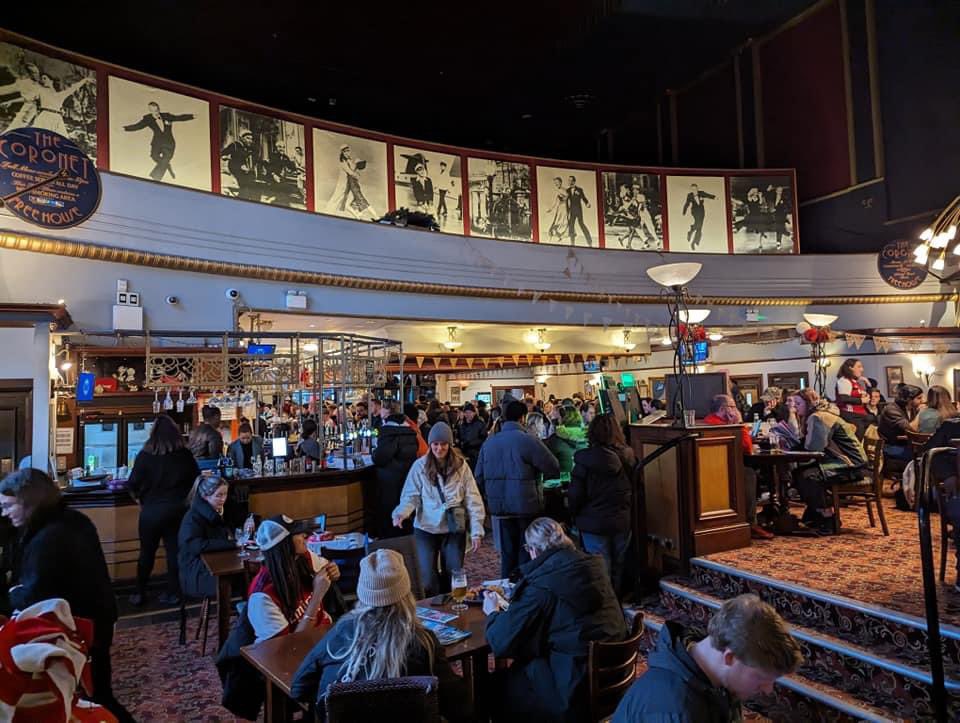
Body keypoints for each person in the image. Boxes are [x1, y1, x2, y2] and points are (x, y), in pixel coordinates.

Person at [0, 469, 134, 722]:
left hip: (82, 626)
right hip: (95, 618)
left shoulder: (50, 537)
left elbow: (36, 594)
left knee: (97, 697)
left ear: (29, 502)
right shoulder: (71, 521)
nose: (4, 512)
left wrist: (12, 594)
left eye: (8, 505)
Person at [291, 548, 471, 721]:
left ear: (362, 593)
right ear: (406, 594)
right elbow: (459, 708)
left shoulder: (339, 633)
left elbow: (298, 689)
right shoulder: (423, 643)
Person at [483, 518, 627, 722]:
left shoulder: (543, 584)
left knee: (493, 687)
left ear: (533, 550)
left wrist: (493, 612)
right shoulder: (594, 567)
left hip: (571, 693)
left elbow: (500, 641)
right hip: (614, 681)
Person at [613, 593, 802, 722]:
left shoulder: (710, 675)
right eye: (761, 678)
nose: (768, 690)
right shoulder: (677, 711)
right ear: (730, 658)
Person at [392, 422, 486, 596]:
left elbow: (473, 499)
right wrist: (402, 513)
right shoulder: (419, 466)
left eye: (443, 444)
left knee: (453, 575)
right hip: (426, 527)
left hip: (453, 527)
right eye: (435, 444)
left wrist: (477, 531)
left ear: (450, 444)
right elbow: (410, 495)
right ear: (430, 444)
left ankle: (452, 610)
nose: (439, 448)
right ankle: (433, 608)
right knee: (427, 578)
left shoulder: (461, 466)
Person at [475, 400, 561, 578]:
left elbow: (479, 476)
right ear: (523, 418)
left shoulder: (489, 443)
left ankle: (507, 589)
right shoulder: (528, 440)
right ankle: (525, 591)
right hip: (526, 503)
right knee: (527, 550)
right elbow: (553, 466)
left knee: (507, 553)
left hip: (500, 506)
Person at [127, 414, 199, 606]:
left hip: (151, 512)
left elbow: (132, 484)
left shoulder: (145, 456)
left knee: (146, 553)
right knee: (174, 552)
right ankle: (173, 592)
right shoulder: (184, 455)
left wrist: (141, 501)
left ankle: (139, 592)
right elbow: (196, 481)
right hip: (178, 510)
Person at [568, 414, 636, 593]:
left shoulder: (584, 460)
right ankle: (617, 601)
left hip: (593, 521)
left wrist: (573, 515)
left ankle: (604, 605)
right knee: (618, 564)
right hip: (621, 518)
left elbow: (575, 495)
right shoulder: (627, 457)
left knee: (599, 568)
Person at [247, 515, 341, 644]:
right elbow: (291, 647)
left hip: (323, 635)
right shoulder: (262, 596)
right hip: (294, 653)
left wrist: (334, 572)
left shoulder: (303, 557)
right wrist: (317, 596)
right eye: (297, 533)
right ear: (284, 544)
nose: (305, 536)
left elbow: (329, 569)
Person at [793, 390, 867, 534]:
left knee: (809, 475)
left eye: (798, 403)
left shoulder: (818, 417)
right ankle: (815, 514)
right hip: (843, 460)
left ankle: (828, 518)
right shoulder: (816, 415)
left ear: (809, 404)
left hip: (851, 464)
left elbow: (815, 448)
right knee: (799, 472)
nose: (795, 407)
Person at [703, 395, 772, 539]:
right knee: (749, 474)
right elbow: (747, 448)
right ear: (724, 409)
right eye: (733, 407)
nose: (737, 410)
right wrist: (740, 423)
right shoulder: (721, 425)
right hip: (721, 468)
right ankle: (750, 522)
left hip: (714, 466)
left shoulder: (710, 420)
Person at [178, 475, 235, 599]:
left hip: (207, 566)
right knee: (243, 579)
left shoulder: (214, 511)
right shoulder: (193, 517)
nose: (223, 499)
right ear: (205, 496)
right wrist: (233, 544)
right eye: (218, 495)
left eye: (225, 494)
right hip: (196, 574)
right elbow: (196, 546)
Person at [371, 400, 419, 538]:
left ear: (387, 411)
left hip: (389, 481)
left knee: (390, 517)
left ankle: (391, 544)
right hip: (407, 477)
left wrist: (374, 453)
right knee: (405, 511)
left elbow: (380, 457)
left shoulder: (388, 433)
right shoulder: (410, 431)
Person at [122, 100, 196, 181]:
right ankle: (166, 165)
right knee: (154, 156)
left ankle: (155, 178)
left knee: (165, 159)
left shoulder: (166, 116)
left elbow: (179, 117)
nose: (155, 113)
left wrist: (192, 116)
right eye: (153, 111)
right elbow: (137, 126)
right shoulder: (148, 119)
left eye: (156, 110)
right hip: (157, 142)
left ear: (159, 109)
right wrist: (125, 128)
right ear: (150, 110)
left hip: (169, 143)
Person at [877, 384, 925, 461]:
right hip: (890, 446)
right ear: (909, 399)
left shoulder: (911, 408)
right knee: (921, 457)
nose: (922, 401)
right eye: (919, 398)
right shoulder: (891, 409)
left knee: (929, 452)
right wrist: (920, 413)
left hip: (905, 443)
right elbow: (911, 429)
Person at [546, 405, 587, 483]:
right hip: (585, 481)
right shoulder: (587, 435)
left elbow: (548, 464)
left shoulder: (556, 439)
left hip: (564, 481)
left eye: (557, 418)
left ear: (561, 419)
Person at [835, 358, 870, 439]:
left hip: (860, 414)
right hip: (850, 414)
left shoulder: (854, 381)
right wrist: (861, 400)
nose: (862, 369)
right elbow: (844, 398)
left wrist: (867, 384)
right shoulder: (844, 380)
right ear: (850, 368)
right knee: (859, 430)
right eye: (859, 367)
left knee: (873, 420)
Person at [189, 404, 225, 470]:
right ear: (216, 416)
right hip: (208, 470)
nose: (220, 420)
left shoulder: (193, 431)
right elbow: (215, 457)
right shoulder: (214, 434)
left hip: (193, 468)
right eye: (220, 417)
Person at [682, 183, 716, 249]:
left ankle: (692, 236)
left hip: (702, 212)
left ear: (697, 188)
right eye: (692, 189)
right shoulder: (689, 195)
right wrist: (684, 211)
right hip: (694, 212)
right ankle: (694, 242)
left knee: (699, 227)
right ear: (691, 189)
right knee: (699, 225)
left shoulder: (701, 193)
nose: (694, 190)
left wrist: (715, 197)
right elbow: (687, 204)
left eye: (695, 189)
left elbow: (708, 195)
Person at [458, 401, 487, 470]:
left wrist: (470, 444)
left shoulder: (480, 424)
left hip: (477, 453)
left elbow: (483, 438)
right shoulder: (461, 425)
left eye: (470, 412)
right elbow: (459, 437)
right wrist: (460, 443)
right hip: (464, 454)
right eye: (466, 412)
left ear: (474, 413)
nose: (468, 414)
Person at [566, 175, 593, 246]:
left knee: (581, 224)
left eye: (571, 181)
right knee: (571, 225)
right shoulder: (567, 190)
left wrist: (587, 203)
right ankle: (572, 243)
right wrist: (567, 211)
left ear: (574, 182)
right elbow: (566, 201)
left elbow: (583, 197)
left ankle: (589, 241)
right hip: (571, 211)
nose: (570, 182)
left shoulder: (579, 189)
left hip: (578, 210)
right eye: (569, 181)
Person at [546, 176, 569, 243]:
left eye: (557, 182)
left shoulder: (564, 190)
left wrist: (563, 198)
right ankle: (557, 236)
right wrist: (551, 209)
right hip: (559, 208)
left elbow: (567, 197)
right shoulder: (557, 190)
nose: (556, 184)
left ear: (560, 182)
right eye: (555, 183)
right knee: (556, 221)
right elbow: (556, 202)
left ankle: (561, 236)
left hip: (564, 208)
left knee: (562, 221)